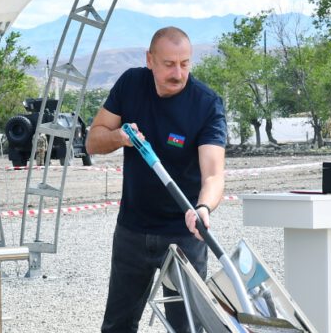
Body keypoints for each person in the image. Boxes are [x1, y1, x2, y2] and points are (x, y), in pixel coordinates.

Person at [86, 26, 227, 333]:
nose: (178, 73)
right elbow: (92, 141)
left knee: (186, 327)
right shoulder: (130, 84)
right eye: (169, 64)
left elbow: (214, 174)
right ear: (150, 60)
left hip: (184, 232)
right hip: (132, 230)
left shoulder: (206, 104)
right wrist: (119, 137)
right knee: (117, 325)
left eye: (185, 64)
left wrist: (203, 208)